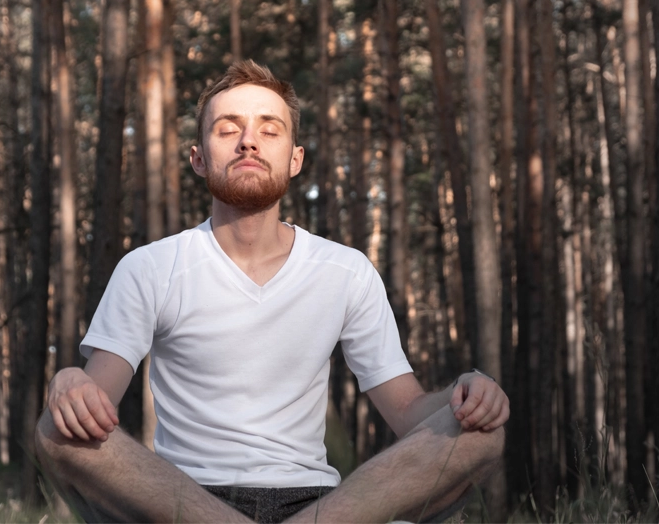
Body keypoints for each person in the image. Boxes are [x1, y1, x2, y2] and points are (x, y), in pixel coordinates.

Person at [35, 60, 509, 523]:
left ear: (294, 158)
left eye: (269, 129)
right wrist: (70, 385)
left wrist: (463, 395)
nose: (248, 142)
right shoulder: (150, 267)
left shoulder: (345, 271)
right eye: (227, 129)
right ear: (198, 158)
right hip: (184, 504)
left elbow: (408, 413)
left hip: (322, 508)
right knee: (56, 430)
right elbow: (94, 400)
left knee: (483, 435)